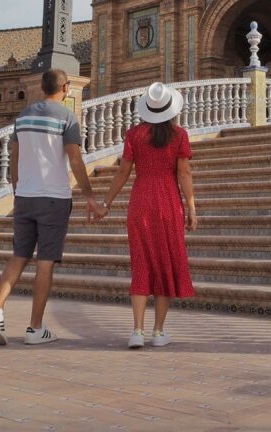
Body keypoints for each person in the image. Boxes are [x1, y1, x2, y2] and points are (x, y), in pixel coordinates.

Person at [0, 68, 101, 346]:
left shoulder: (23, 116)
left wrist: (16, 189)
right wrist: (89, 195)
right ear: (66, 87)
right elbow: (74, 159)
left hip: (25, 195)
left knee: (19, 255)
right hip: (54, 198)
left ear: (43, 87)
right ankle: (35, 328)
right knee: (45, 261)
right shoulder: (67, 117)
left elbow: (14, 157)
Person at [97, 82, 197, 349]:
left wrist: (106, 202)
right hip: (168, 201)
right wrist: (191, 208)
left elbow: (123, 172)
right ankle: (158, 331)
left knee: (141, 264)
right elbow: (184, 174)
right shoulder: (179, 135)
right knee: (164, 265)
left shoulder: (134, 135)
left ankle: (137, 331)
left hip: (140, 200)